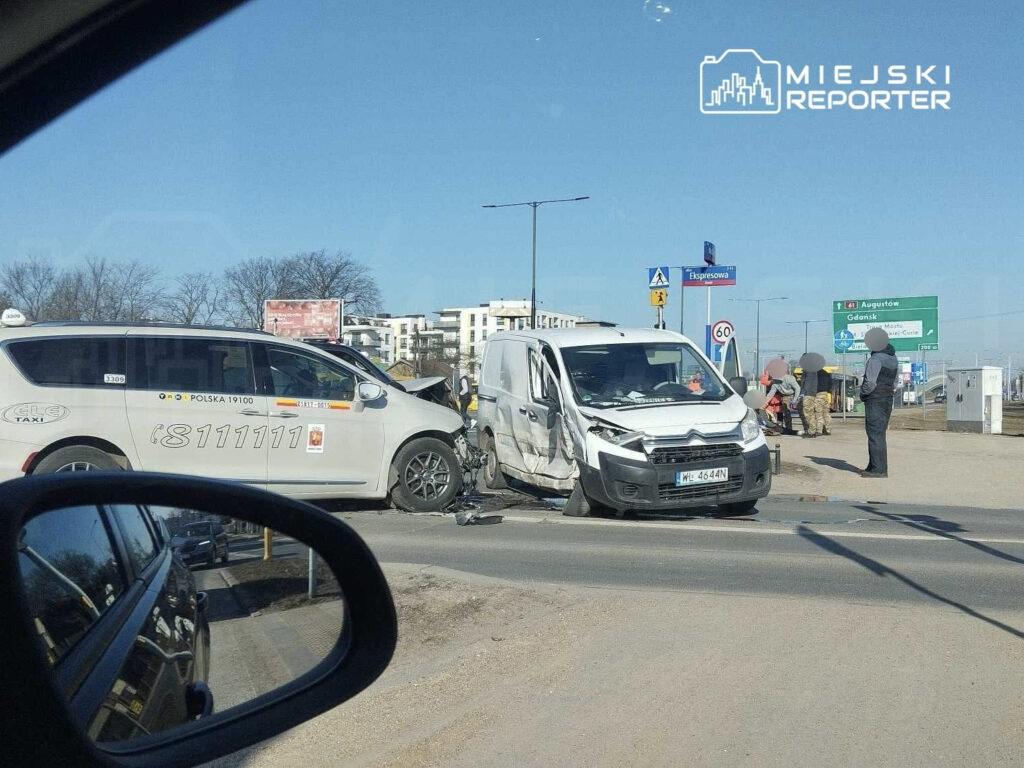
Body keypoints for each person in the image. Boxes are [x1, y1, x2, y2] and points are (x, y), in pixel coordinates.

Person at [859, 338, 898, 477]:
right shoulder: (893, 359)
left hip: (875, 398)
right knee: (879, 433)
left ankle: (879, 470)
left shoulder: (875, 359)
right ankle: (873, 465)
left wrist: (863, 394)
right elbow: (895, 382)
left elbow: (870, 382)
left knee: (874, 434)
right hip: (887, 398)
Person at [764, 360, 799, 433]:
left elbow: (797, 388)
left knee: (802, 413)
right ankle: (789, 429)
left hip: (794, 394)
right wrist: (764, 402)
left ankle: (807, 428)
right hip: (785, 396)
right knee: (786, 412)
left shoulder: (789, 378)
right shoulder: (775, 382)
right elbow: (771, 393)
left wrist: (795, 399)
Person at [794, 367, 819, 437]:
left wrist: (803, 392)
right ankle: (810, 430)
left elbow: (808, 382)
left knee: (808, 413)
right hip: (809, 393)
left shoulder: (809, 370)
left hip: (808, 393)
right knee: (807, 413)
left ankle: (811, 432)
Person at [815, 367, 833, 436]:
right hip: (825, 394)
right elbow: (830, 383)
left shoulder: (815, 373)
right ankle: (828, 429)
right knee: (826, 413)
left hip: (818, 394)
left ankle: (819, 430)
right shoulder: (826, 373)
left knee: (818, 412)